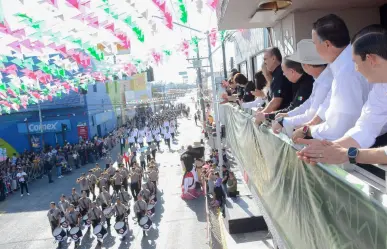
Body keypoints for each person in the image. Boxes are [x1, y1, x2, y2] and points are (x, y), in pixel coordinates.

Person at [297, 25, 387, 165]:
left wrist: (350, 154)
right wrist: (331, 149)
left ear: (371, 59)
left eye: (356, 63)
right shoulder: (381, 87)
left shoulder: (348, 75)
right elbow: (366, 127)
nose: (356, 70)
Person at [291, 14, 370, 143]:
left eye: (315, 43)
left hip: (365, 144)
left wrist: (307, 130)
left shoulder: (347, 72)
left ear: (327, 44)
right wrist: (311, 123)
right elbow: (329, 101)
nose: (315, 49)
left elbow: (339, 126)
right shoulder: (343, 65)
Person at [272, 39, 332, 136]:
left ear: (306, 65)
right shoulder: (320, 79)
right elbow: (308, 104)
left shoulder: (325, 82)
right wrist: (288, 115)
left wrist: (284, 121)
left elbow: (311, 114)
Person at [255, 47, 293, 124]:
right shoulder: (276, 74)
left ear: (273, 58)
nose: (264, 62)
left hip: (284, 120)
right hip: (280, 118)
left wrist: (261, 116)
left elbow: (276, 102)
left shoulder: (279, 74)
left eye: (265, 59)